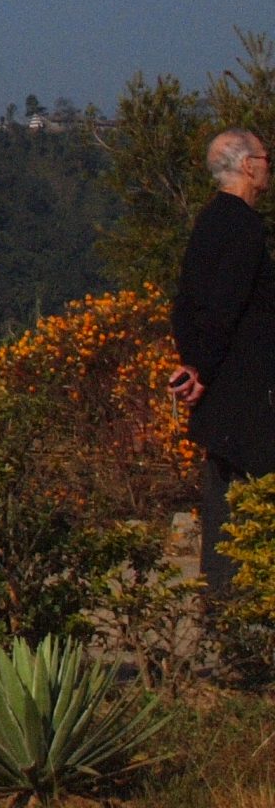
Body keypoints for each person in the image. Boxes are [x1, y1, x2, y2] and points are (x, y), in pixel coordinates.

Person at [169, 128, 275, 601]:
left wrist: (193, 367)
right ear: (248, 165)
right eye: (266, 157)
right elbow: (222, 308)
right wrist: (203, 371)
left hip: (223, 393)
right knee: (247, 505)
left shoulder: (211, 221)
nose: (269, 166)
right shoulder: (243, 228)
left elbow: (186, 305)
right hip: (244, 395)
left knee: (223, 502)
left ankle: (224, 615)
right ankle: (239, 618)